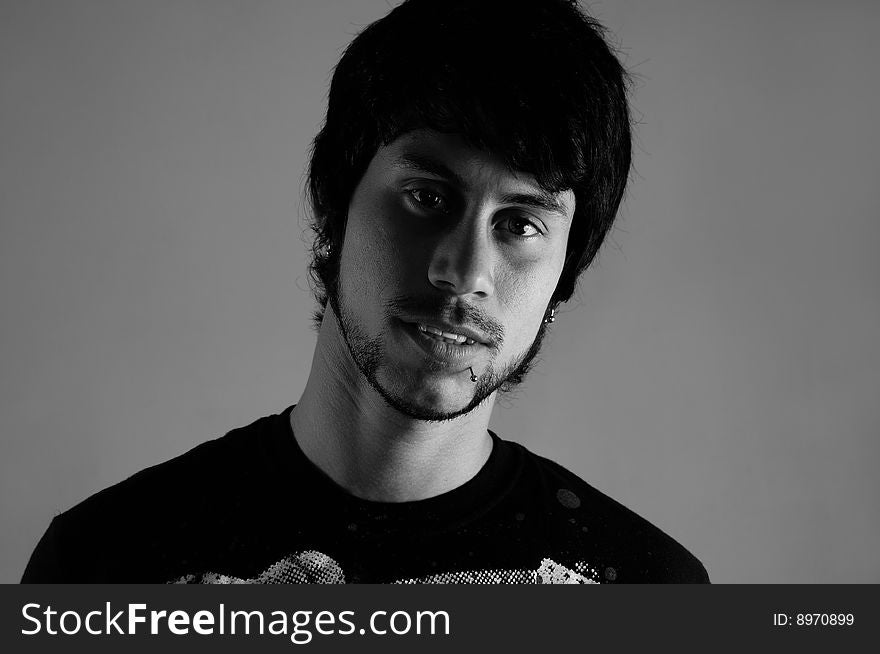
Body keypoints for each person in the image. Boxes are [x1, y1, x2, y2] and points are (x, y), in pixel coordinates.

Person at [22, 0, 709, 584]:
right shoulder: (102, 564)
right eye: (427, 196)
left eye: (521, 224)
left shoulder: (649, 596)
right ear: (333, 207)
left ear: (565, 274)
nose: (463, 272)